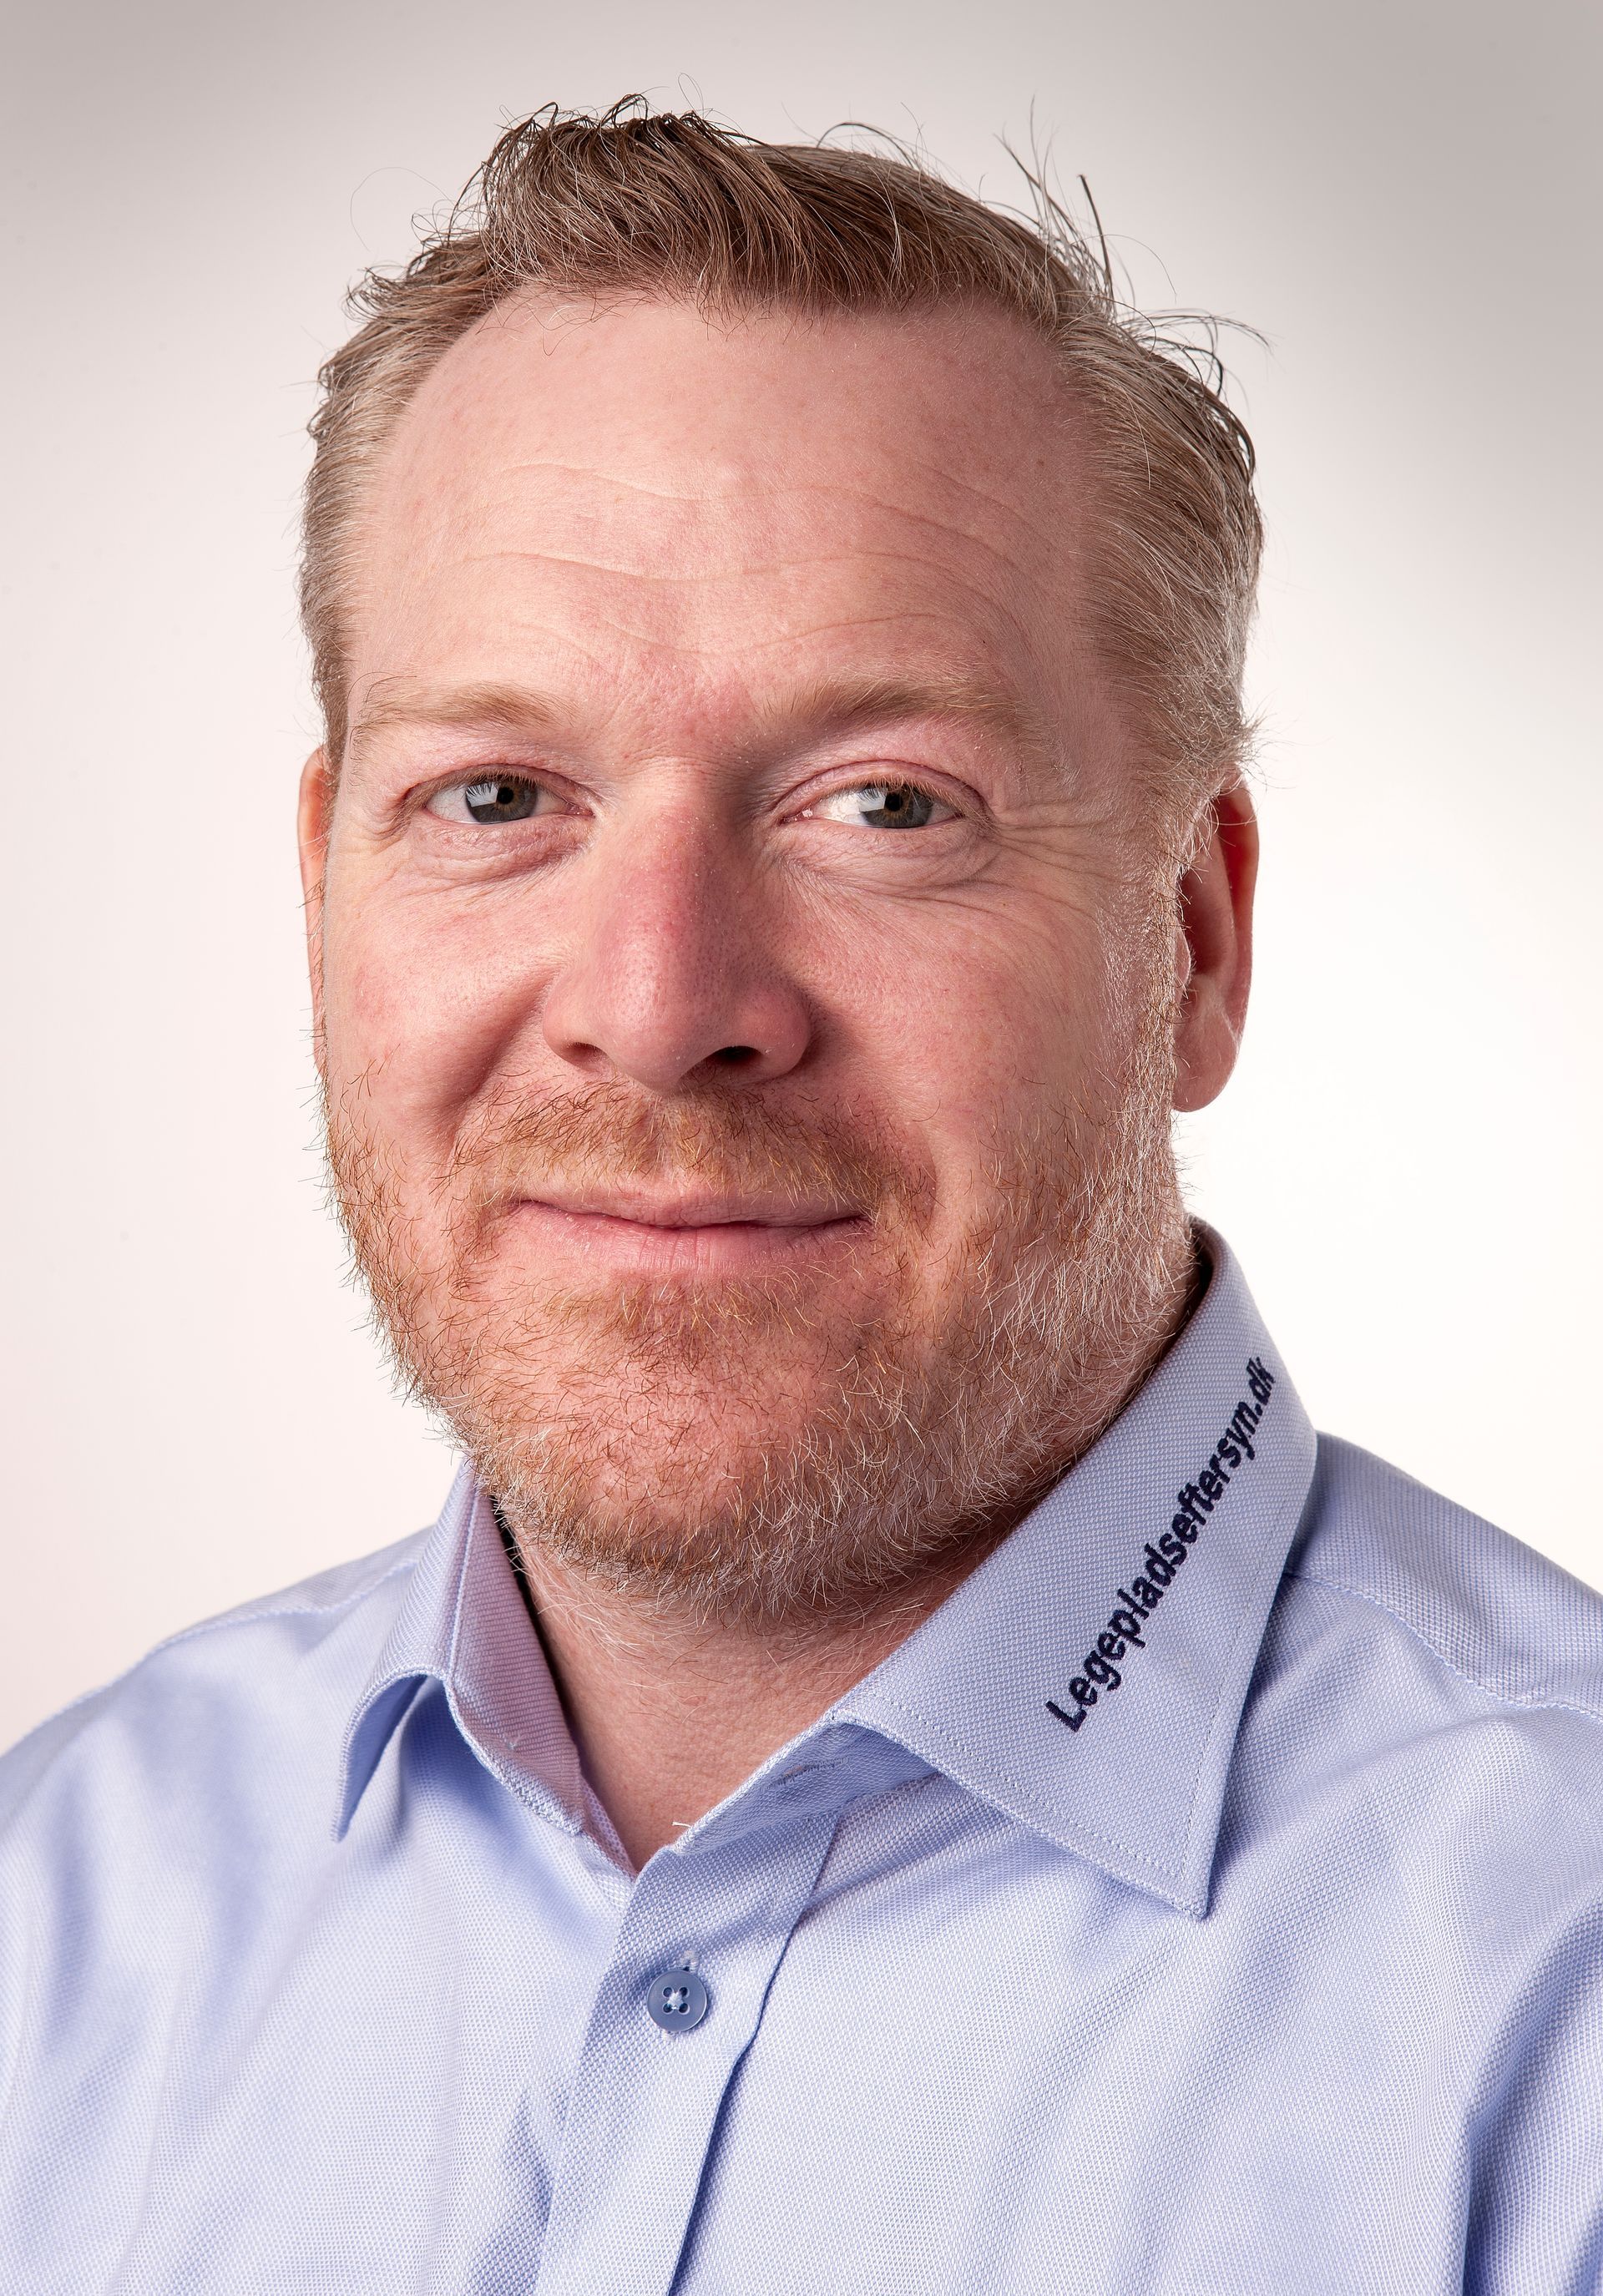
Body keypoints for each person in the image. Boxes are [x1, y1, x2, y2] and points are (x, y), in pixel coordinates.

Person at [3, 101, 1599, 2295]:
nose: (661, 1009)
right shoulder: (58, 1908)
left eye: (884, 801)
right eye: (495, 793)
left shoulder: (1558, 1995)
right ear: (324, 894)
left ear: (1196, 945)